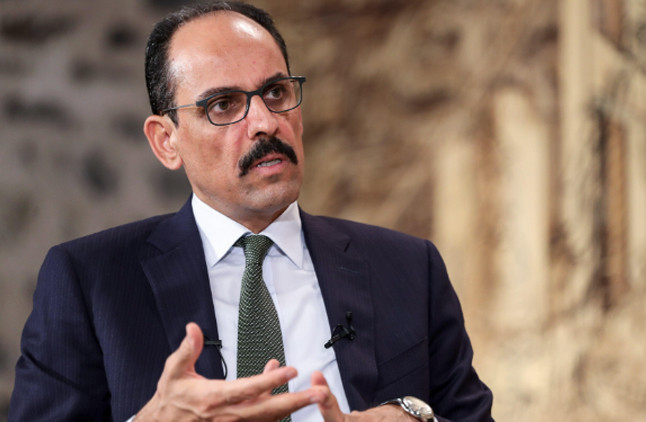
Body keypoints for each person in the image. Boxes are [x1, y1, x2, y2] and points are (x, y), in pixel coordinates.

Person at [9, 2, 493, 421]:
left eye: (276, 93)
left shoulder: (407, 268)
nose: (264, 123)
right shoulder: (91, 281)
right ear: (166, 141)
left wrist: (415, 417)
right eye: (223, 105)